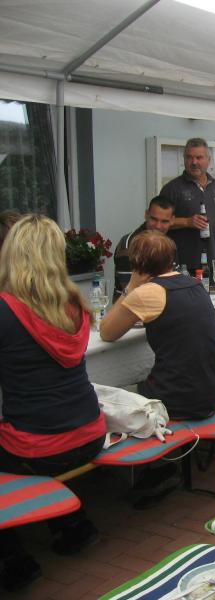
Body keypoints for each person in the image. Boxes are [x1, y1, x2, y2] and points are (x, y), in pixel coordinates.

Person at [0, 215, 105, 591]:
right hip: (91, 432)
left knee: (25, 447)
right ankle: (75, 525)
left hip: (39, 446)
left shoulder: (5, 309)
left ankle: (14, 560)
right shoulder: (75, 303)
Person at [100, 231, 215, 419]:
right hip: (211, 393)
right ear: (171, 258)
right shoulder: (195, 284)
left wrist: (130, 287)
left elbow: (106, 332)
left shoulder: (147, 293)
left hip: (175, 399)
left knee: (108, 398)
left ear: (137, 264)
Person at [160, 138, 215, 271]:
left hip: (212, 263)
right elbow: (158, 224)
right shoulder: (172, 189)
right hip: (181, 265)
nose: (194, 162)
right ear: (184, 159)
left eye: (199, 157)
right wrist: (187, 222)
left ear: (209, 160)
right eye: (189, 157)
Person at [113, 195, 175, 300]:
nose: (158, 226)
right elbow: (131, 291)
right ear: (146, 215)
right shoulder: (128, 245)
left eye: (164, 221)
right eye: (154, 219)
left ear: (172, 220)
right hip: (130, 307)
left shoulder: (169, 243)